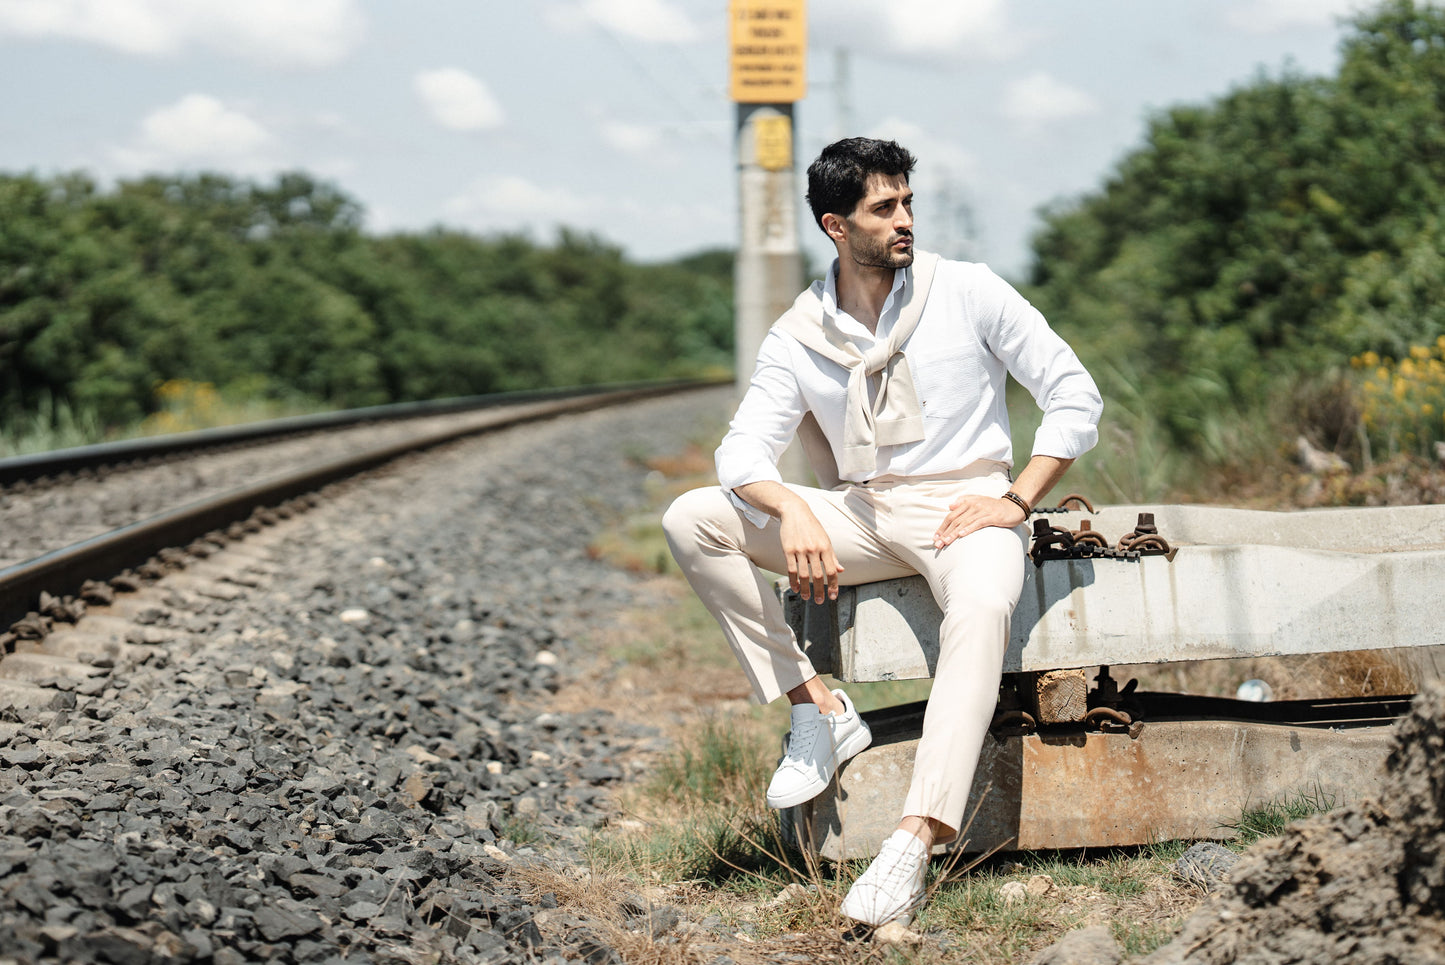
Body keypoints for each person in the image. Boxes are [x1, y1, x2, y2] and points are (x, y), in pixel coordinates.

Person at [661, 137, 1102, 926]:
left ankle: (912, 840)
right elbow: (739, 451)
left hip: (966, 506)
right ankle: (817, 707)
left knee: (978, 610)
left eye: (907, 203)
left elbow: (1073, 392)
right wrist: (792, 506)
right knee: (692, 517)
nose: (904, 221)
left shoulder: (967, 290)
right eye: (883, 208)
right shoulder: (800, 330)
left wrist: (1017, 497)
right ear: (836, 225)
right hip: (860, 509)